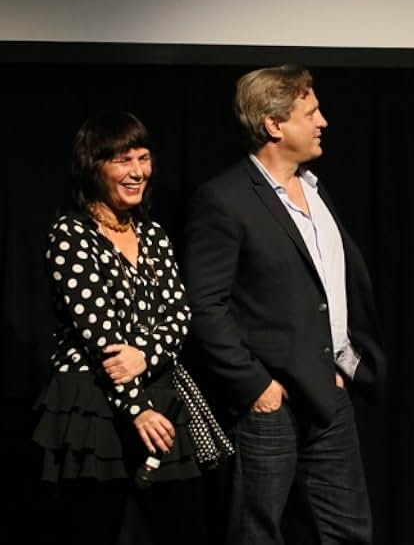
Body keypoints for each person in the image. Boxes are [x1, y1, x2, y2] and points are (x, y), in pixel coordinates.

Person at [184, 64, 387, 544]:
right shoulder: (225, 199)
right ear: (275, 125)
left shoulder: (316, 191)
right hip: (270, 405)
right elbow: (205, 306)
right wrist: (257, 387)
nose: (324, 122)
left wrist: (342, 364)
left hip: (331, 395)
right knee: (257, 533)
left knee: (349, 532)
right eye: (311, 112)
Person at [32, 111, 207, 545]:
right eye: (122, 160)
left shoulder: (154, 234)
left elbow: (179, 314)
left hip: (159, 392)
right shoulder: (71, 235)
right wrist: (136, 409)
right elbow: (101, 338)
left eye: (144, 158)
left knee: (183, 526)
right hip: (93, 407)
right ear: (93, 167)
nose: (137, 172)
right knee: (94, 527)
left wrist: (146, 354)